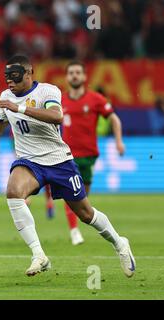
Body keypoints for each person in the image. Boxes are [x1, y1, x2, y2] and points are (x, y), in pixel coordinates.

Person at [0, 55, 135, 278]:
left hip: (59, 160)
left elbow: (57, 116)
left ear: (29, 74)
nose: (9, 81)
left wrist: (18, 108)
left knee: (86, 214)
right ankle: (39, 255)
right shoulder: (5, 96)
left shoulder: (48, 91)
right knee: (13, 192)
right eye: (6, 77)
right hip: (29, 162)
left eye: (15, 76)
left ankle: (120, 243)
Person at [44, 61, 125, 245]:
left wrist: (119, 141)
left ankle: (76, 223)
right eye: (71, 72)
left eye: (77, 72)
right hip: (65, 156)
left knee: (82, 199)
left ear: (84, 76)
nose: (74, 75)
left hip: (89, 156)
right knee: (70, 191)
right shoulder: (58, 101)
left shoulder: (96, 99)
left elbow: (114, 119)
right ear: (66, 77)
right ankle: (74, 231)